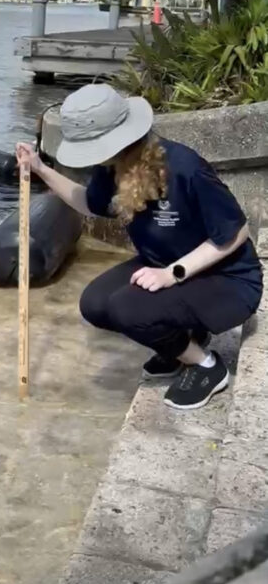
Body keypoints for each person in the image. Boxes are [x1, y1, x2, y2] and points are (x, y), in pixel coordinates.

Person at [17, 84, 263, 411]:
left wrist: (172, 274)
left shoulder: (185, 167)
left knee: (129, 309)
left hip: (228, 279)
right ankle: (183, 339)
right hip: (166, 266)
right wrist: (41, 169)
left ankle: (205, 364)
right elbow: (89, 204)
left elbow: (236, 233)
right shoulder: (112, 166)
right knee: (95, 303)